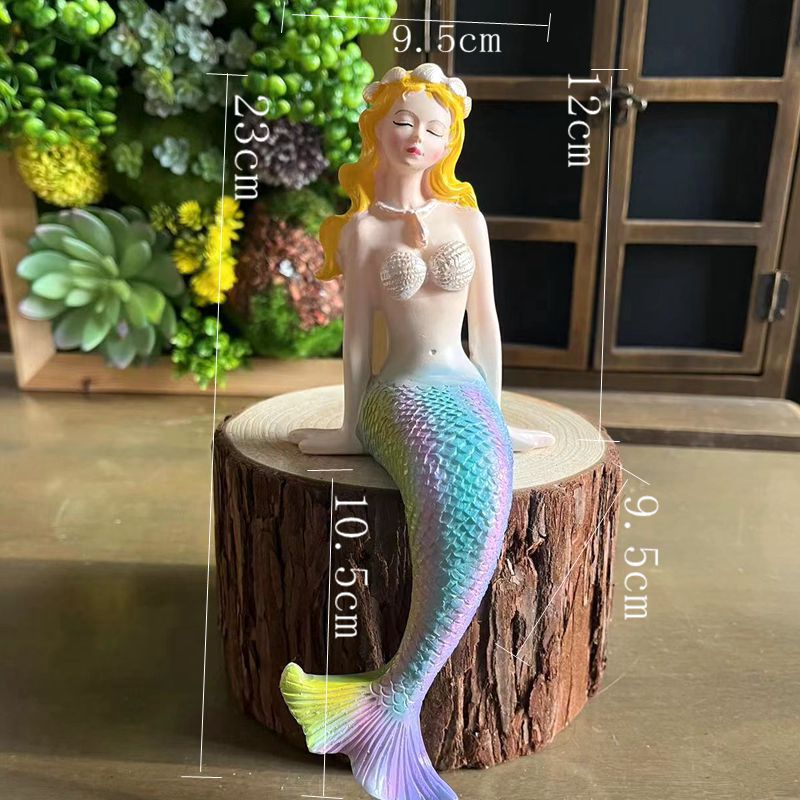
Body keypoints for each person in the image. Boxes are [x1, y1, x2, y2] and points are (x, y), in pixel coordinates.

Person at [282, 63, 554, 800]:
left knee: (482, 490)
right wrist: (350, 427)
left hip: (463, 389)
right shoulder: (363, 230)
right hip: (398, 394)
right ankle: (388, 703)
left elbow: (486, 327)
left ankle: (390, 697)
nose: (417, 137)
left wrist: (496, 417)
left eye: (435, 128)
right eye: (403, 121)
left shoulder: (467, 219)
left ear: (449, 143)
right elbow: (356, 345)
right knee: (445, 488)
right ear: (376, 129)